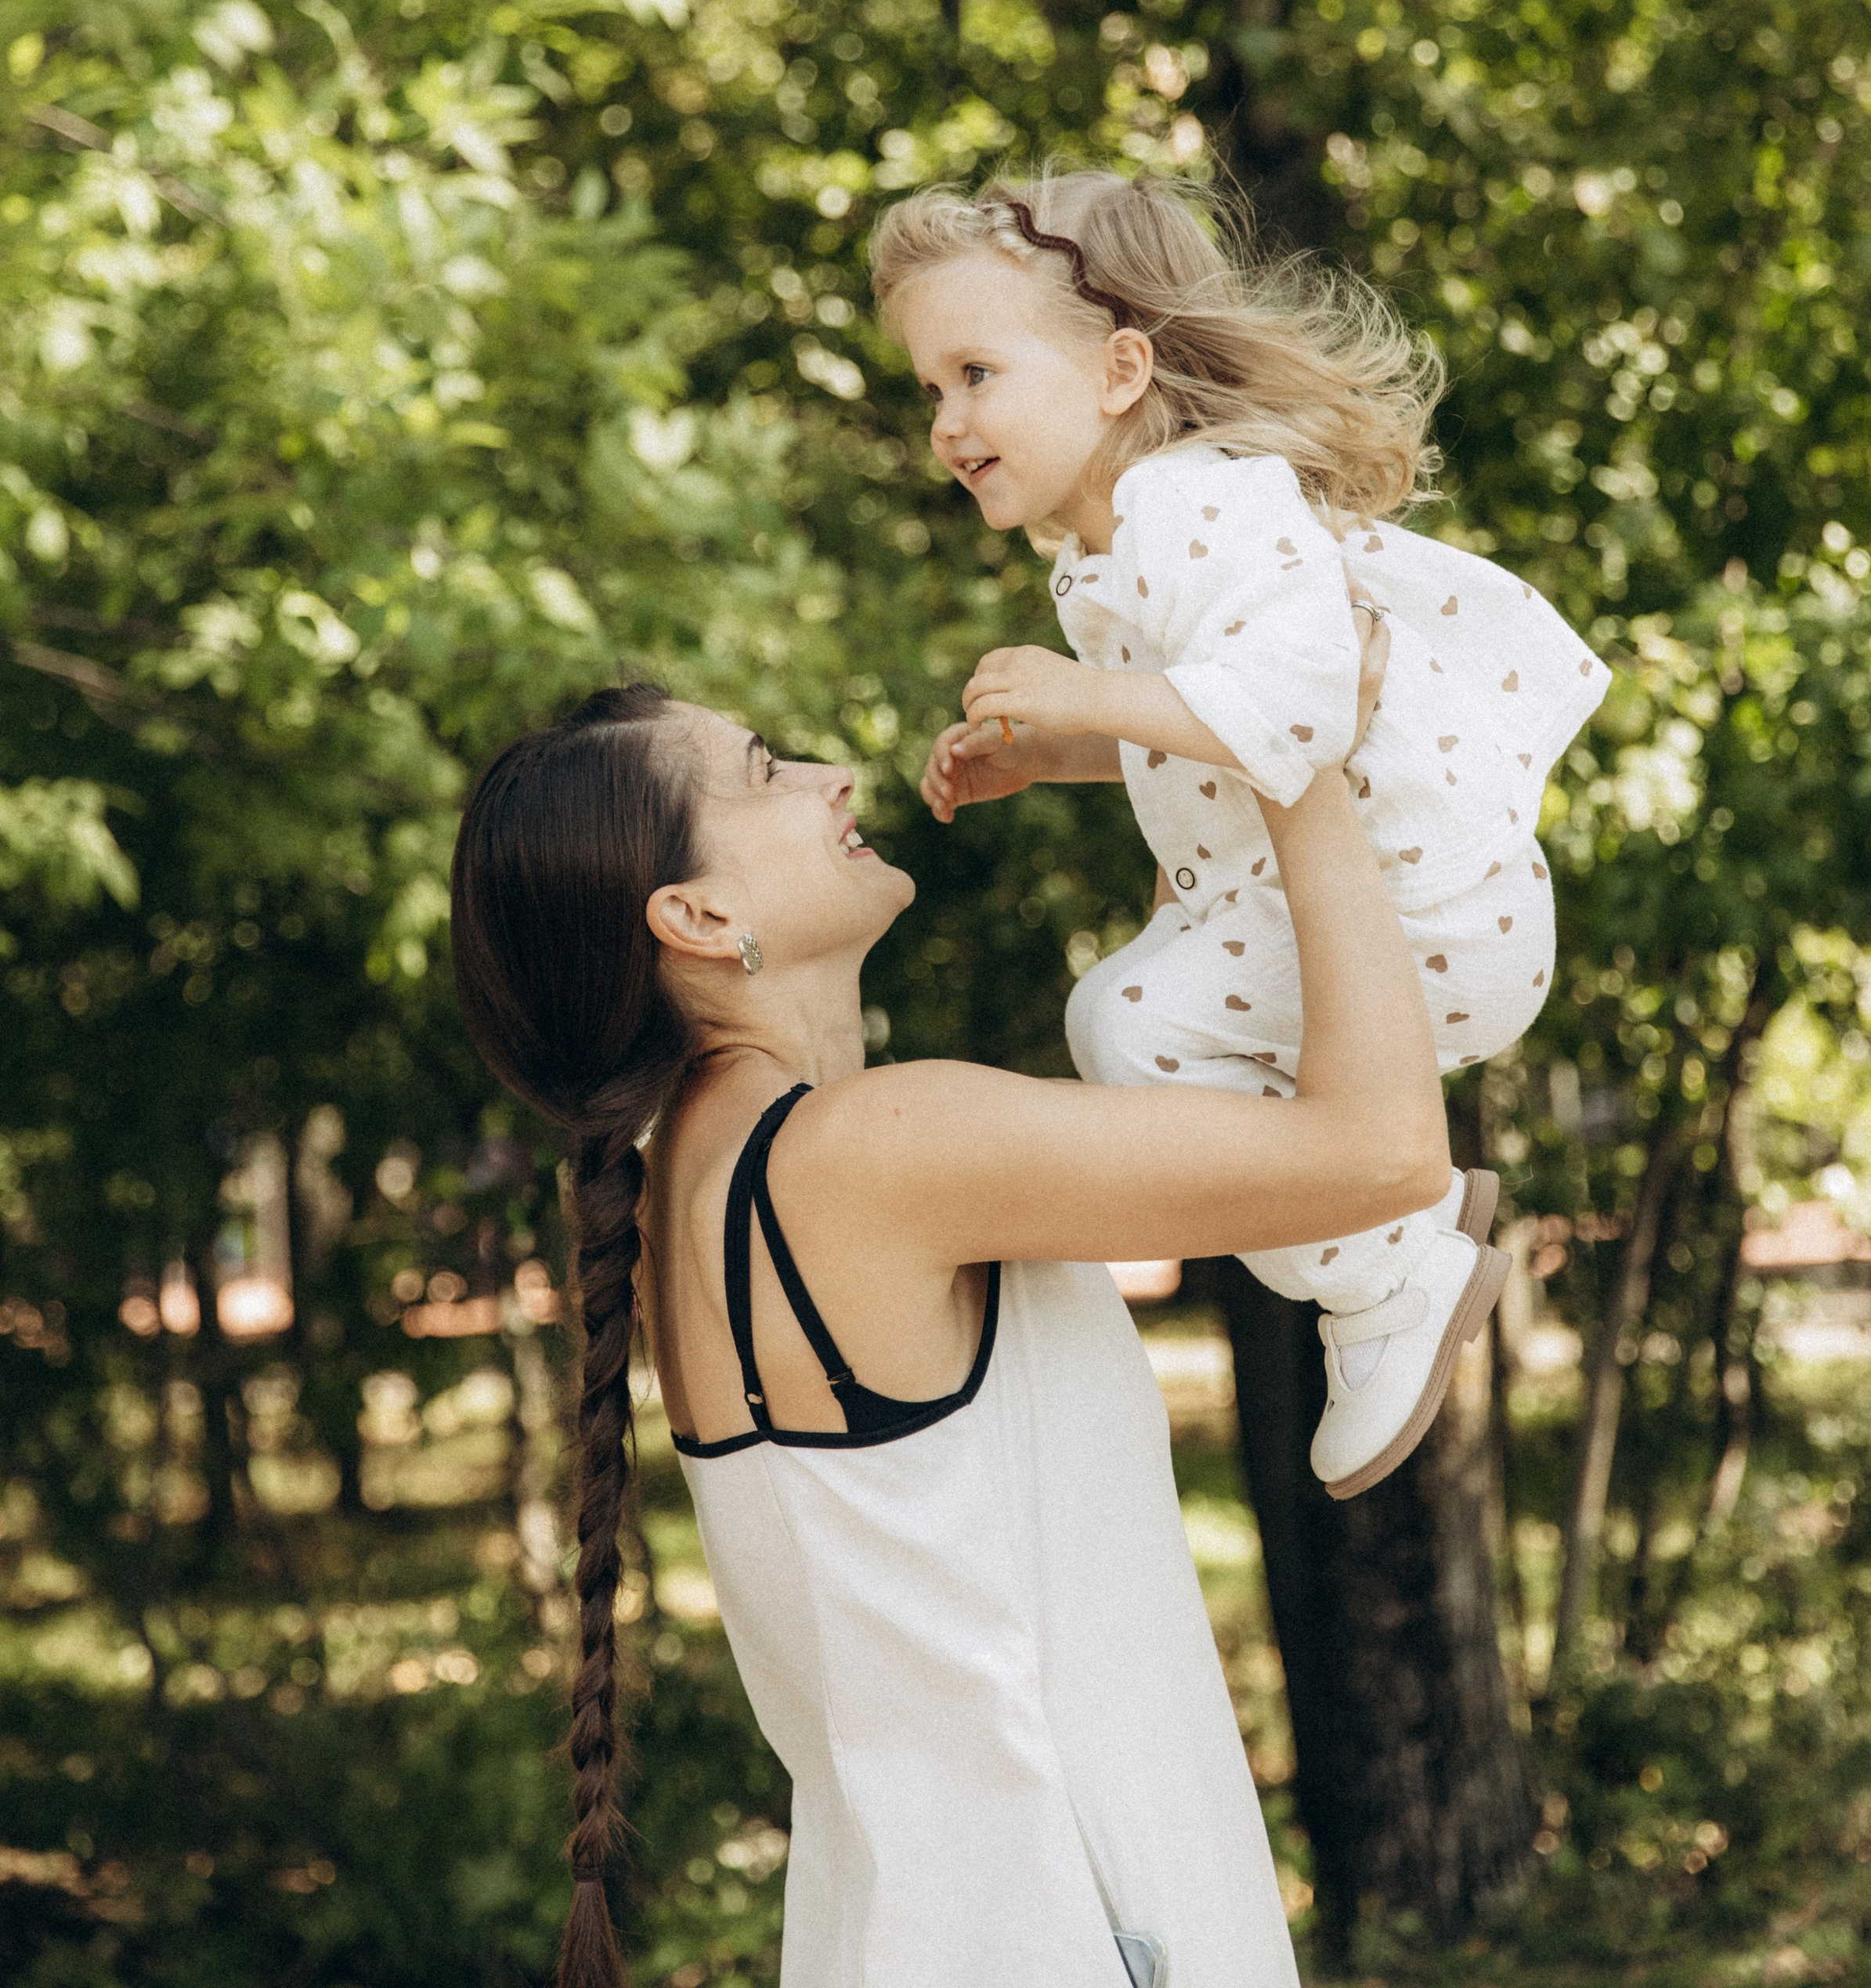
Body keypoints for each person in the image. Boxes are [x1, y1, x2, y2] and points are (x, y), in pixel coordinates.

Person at [450, 676, 1447, 1988]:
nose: (831, 777)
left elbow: (1202, 1049)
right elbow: (1383, 1153)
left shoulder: (718, 1178)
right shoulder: (863, 1156)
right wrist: (1291, 745)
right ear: (697, 917)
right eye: (764, 770)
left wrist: (1150, 746)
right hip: (1082, 1939)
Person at [871, 168, 1609, 1499]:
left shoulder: (1197, 504)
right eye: (933, 389)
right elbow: (1211, 721)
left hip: (1424, 910)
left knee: (1131, 1027)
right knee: (1129, 1023)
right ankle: (1392, 1232)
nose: (949, 421)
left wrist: (1086, 693)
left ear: (1120, 369)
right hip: (1369, 906)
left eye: (976, 372)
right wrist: (1063, 755)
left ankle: (1391, 1264)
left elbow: (1303, 705)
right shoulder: (1112, 538)